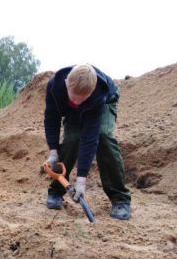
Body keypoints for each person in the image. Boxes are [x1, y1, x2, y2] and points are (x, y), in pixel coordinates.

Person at [44, 64, 132, 220]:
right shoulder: (55, 88)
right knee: (72, 139)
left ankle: (120, 199)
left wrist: (81, 180)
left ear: (90, 92)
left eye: (82, 99)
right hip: (76, 104)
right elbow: (52, 118)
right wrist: (53, 151)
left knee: (103, 136)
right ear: (66, 85)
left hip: (104, 102)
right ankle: (56, 191)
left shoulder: (98, 94)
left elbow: (90, 137)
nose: (78, 103)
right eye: (74, 99)